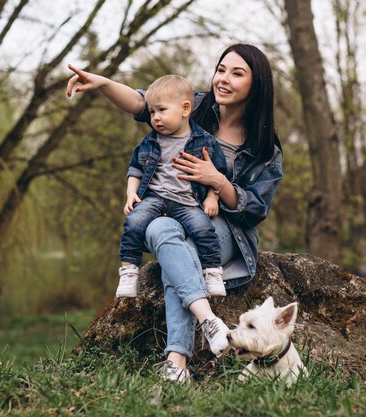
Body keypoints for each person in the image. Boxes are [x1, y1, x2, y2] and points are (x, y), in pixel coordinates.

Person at [66, 43, 283, 383]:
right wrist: (104, 83)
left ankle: (176, 361)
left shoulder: (263, 146)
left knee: (180, 256)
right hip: (170, 211)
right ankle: (208, 322)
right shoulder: (195, 106)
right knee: (158, 231)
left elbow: (256, 208)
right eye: (221, 69)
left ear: (257, 86)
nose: (223, 79)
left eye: (237, 74)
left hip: (221, 225)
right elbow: (143, 102)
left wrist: (217, 181)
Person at [116, 74, 228, 299]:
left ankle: (212, 272)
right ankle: (128, 271)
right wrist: (131, 193)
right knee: (134, 222)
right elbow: (135, 169)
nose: (155, 118)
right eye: (152, 112)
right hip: (155, 198)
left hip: (187, 201)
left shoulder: (204, 142)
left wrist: (212, 198)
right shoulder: (150, 142)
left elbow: (219, 173)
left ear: (185, 109)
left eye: (162, 110)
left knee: (204, 229)